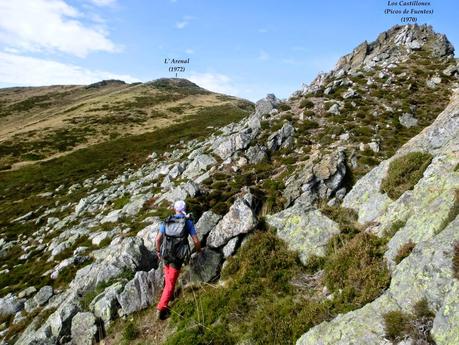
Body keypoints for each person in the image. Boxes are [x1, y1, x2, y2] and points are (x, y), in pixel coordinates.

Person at [155, 200, 201, 320]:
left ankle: (168, 297)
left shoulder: (167, 221)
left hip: (166, 255)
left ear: (175, 209)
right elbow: (196, 241)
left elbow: (158, 240)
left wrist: (158, 251)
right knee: (170, 283)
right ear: (185, 209)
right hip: (177, 257)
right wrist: (199, 251)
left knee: (168, 278)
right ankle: (161, 308)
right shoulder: (188, 222)